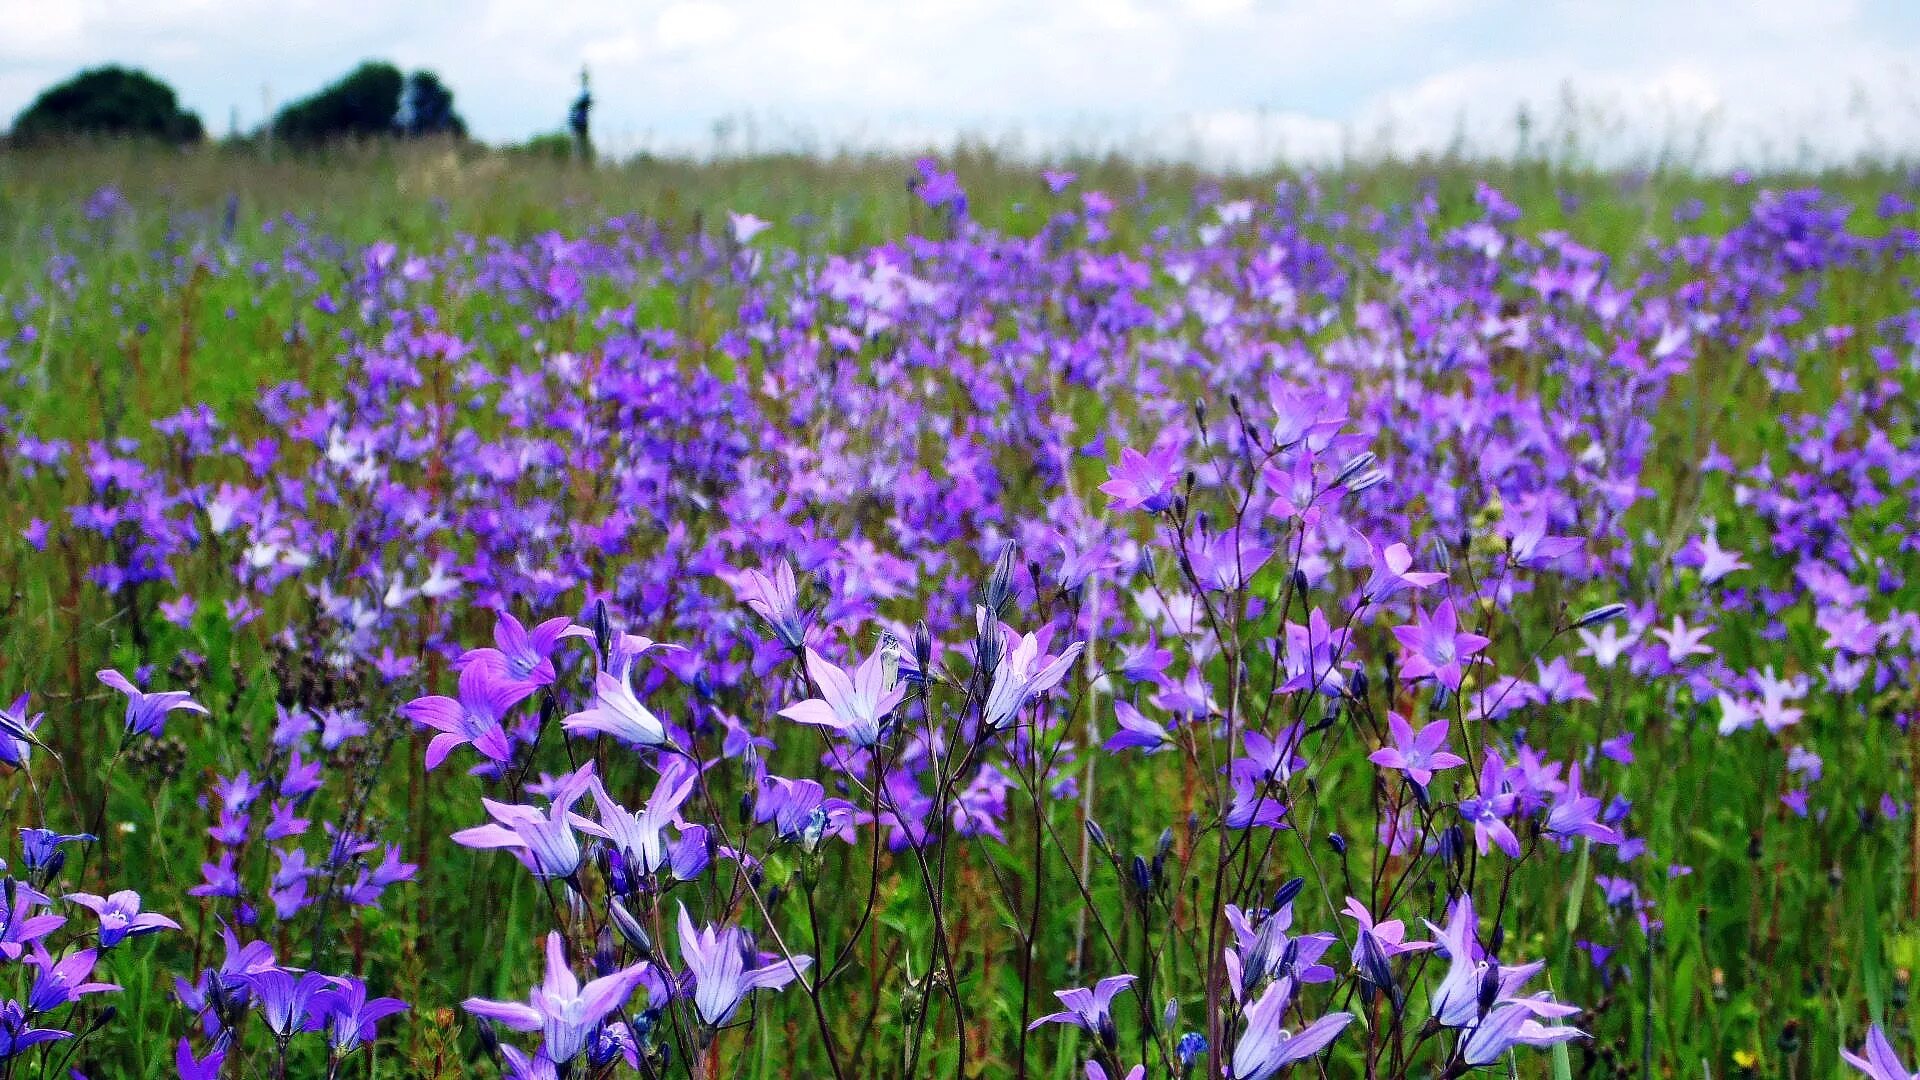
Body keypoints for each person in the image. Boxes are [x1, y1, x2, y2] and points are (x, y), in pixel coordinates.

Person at [569, 67, 593, 161]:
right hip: (578, 122)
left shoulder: (585, 93)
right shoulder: (583, 92)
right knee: (578, 146)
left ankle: (580, 163)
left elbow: (581, 102)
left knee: (579, 146)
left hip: (580, 122)